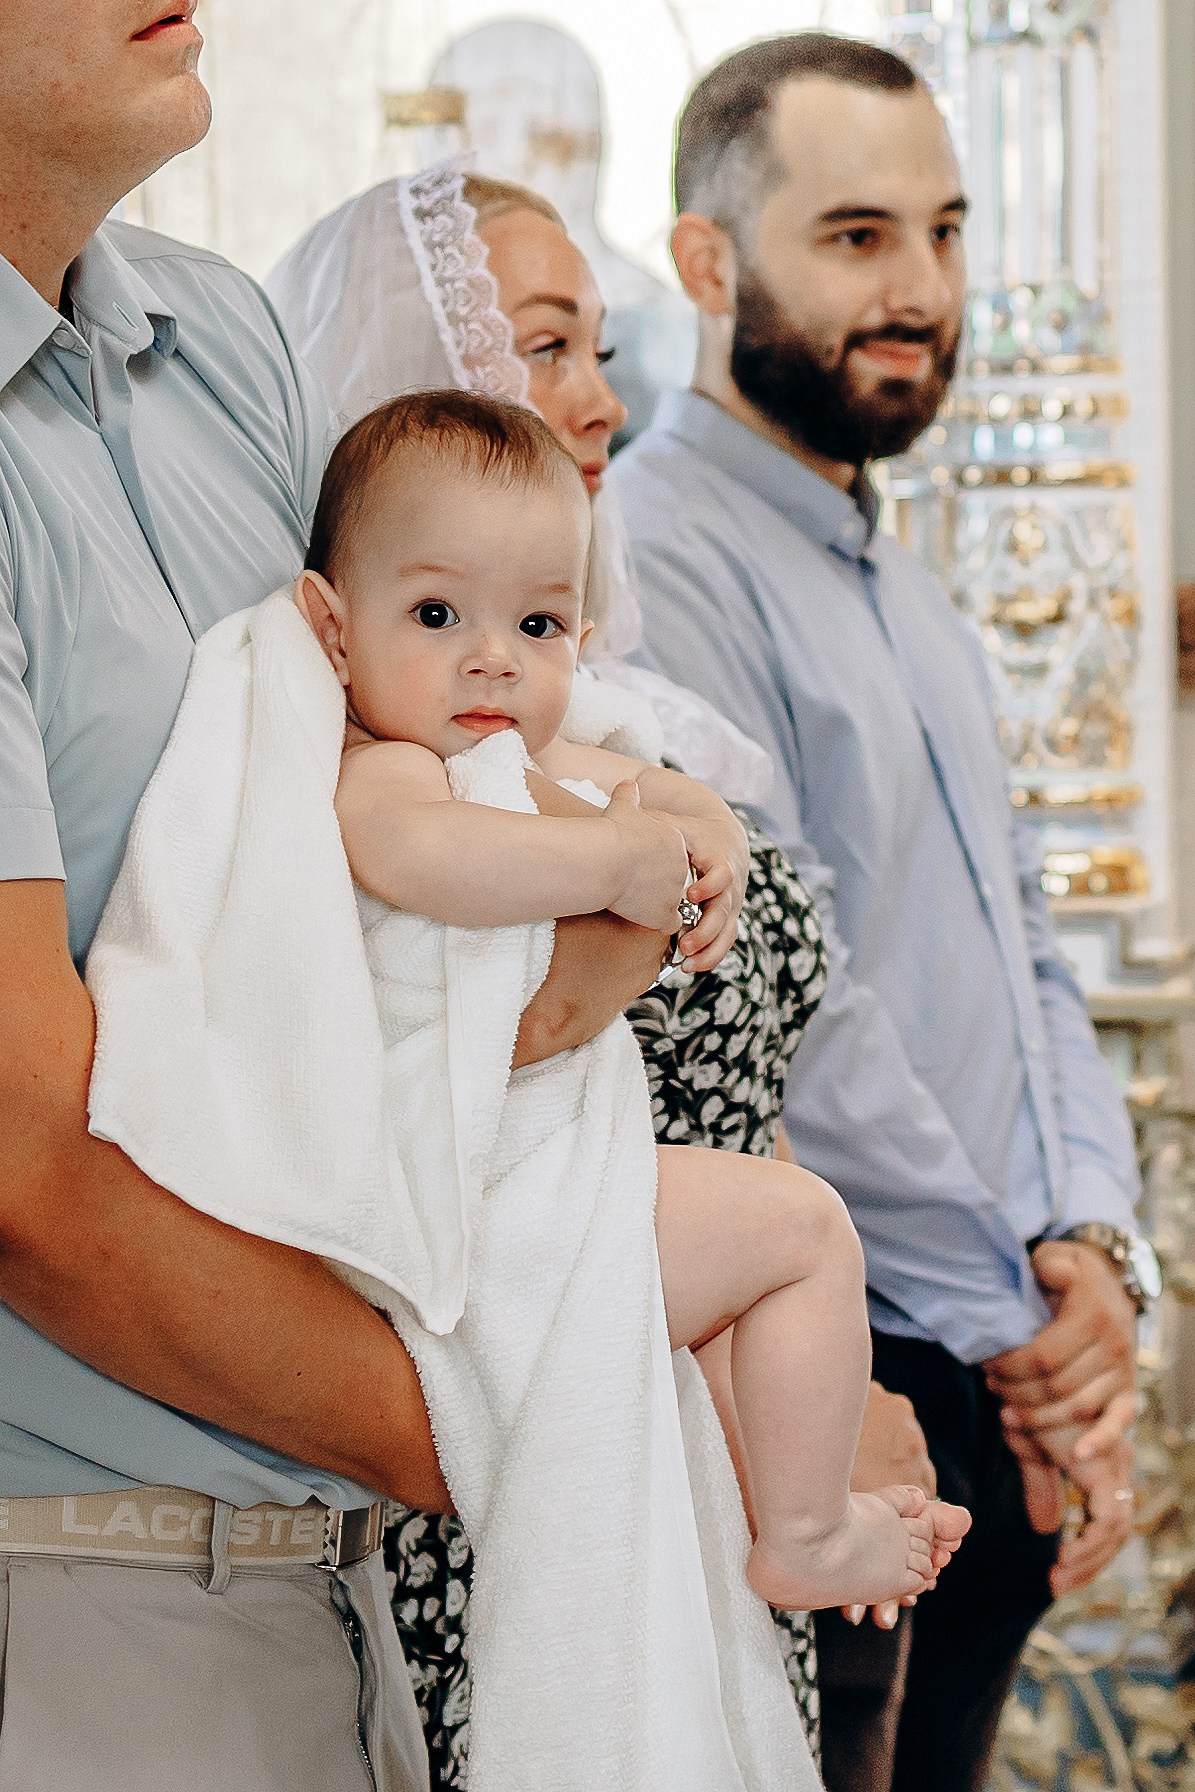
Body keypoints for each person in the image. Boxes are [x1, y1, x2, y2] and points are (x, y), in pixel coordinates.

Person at [0, 9, 675, 1788]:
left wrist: (634, 858)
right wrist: (557, 1416)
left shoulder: (216, 340)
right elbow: (25, 1180)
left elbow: (423, 837)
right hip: (75, 1577)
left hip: (330, 1564)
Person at [269, 160, 944, 1784]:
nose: (593, 400)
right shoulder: (385, 750)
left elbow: (745, 1058)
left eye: (600, 353)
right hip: (530, 1327)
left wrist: (661, 812)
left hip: (697, 1354)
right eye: (542, 345)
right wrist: (626, 862)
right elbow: (501, 1011)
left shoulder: (574, 724)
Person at [609, 32, 1152, 1792]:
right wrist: (1022, 1335)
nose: (920, 289)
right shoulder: (651, 552)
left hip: (997, 1328)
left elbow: (1023, 940)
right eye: (854, 237)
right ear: (710, 263)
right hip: (851, 1377)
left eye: (944, 230)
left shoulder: (898, 579)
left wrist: (1097, 1256)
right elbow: (804, 1010)